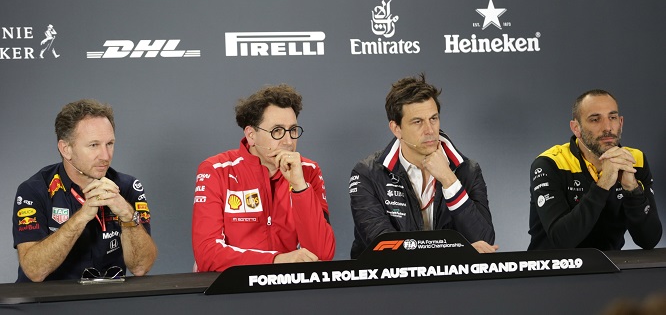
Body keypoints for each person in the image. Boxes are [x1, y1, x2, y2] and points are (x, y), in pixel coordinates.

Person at [349, 74, 497, 258]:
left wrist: (450, 181)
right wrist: (457, 248)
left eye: (433, 119)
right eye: (417, 122)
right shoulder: (367, 174)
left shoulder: (468, 170)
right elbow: (384, 248)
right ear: (396, 129)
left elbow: (485, 241)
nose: (429, 130)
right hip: (387, 282)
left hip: (450, 281)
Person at [192, 84, 335, 272]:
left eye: (293, 130)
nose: (288, 141)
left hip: (291, 288)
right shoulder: (216, 170)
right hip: (233, 290)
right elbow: (207, 254)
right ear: (251, 135)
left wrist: (299, 186)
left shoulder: (308, 170)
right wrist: (276, 260)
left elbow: (322, 254)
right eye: (277, 131)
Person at [12, 99, 157, 282]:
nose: (105, 156)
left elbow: (140, 267)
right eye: (94, 145)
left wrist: (128, 216)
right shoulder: (34, 190)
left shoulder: (128, 187)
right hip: (49, 305)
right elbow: (34, 271)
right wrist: (81, 217)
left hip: (107, 303)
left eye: (110, 144)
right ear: (66, 149)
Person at [528, 89, 662, 250]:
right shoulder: (550, 163)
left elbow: (649, 240)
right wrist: (603, 184)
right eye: (595, 119)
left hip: (610, 269)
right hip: (554, 270)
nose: (607, 127)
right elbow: (561, 240)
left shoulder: (634, 160)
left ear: (621, 122)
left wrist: (632, 189)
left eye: (612, 118)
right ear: (576, 128)